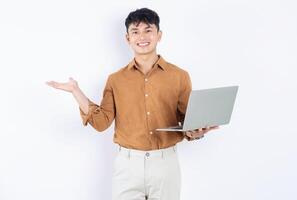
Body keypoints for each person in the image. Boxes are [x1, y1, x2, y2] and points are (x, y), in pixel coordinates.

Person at [46, 7, 219, 200]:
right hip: (127, 166)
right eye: (135, 32)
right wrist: (75, 91)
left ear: (159, 35)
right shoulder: (115, 80)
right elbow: (101, 123)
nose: (142, 36)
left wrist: (196, 133)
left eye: (148, 30)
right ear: (127, 38)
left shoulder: (180, 76)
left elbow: (188, 122)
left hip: (165, 164)